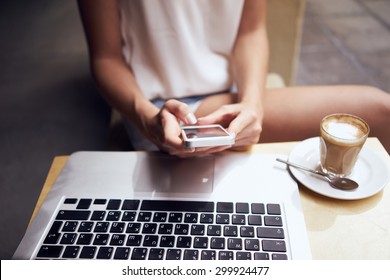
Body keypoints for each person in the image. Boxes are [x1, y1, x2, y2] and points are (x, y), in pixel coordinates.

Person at [77, 0, 390, 157]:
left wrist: (253, 104)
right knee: (378, 111)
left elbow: (251, 31)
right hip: (160, 109)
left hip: (232, 94)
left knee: (382, 111)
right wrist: (146, 117)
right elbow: (106, 58)